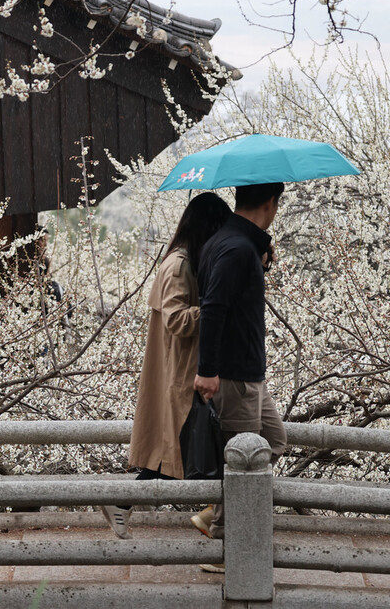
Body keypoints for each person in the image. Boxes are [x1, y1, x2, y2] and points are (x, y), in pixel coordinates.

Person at [103, 192, 232, 539]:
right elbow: (177, 319)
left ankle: (125, 503)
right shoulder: (178, 264)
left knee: (174, 457)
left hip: (184, 370)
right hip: (179, 372)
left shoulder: (187, 261)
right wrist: (214, 309)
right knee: (181, 453)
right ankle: (124, 501)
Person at [193, 182, 289, 553]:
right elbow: (214, 308)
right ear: (270, 202)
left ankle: (212, 512)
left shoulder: (233, 243)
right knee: (246, 463)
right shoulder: (235, 247)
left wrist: (260, 259)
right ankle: (225, 552)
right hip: (233, 376)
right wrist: (208, 369)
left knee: (275, 441)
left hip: (250, 375)